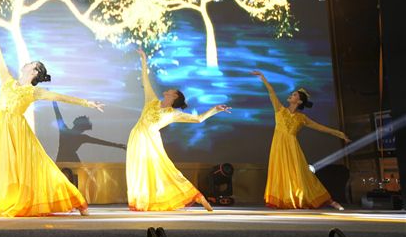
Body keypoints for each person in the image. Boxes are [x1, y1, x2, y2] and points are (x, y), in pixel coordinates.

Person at [0, 24, 104, 217]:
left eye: (30, 63)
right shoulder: (7, 81)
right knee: (5, 167)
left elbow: (60, 97)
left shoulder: (34, 91)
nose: (26, 64)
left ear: (35, 71)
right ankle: (7, 202)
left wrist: (87, 103)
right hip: (2, 130)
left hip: (19, 132)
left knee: (41, 167)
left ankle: (77, 201)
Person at [127, 48, 230, 212]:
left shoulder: (173, 114)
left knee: (164, 170)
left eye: (171, 90)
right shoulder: (152, 101)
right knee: (141, 171)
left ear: (174, 96)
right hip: (136, 139)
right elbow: (145, 80)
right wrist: (144, 59)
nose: (168, 90)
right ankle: (144, 200)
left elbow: (198, 119)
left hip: (151, 143)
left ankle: (198, 197)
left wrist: (215, 109)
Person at [252, 70, 350, 210]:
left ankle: (330, 201)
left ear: (299, 101)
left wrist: (339, 134)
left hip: (292, 148)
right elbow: (272, 92)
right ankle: (289, 200)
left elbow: (320, 127)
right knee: (281, 174)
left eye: (294, 95)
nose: (291, 95)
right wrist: (263, 78)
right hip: (279, 147)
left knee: (302, 175)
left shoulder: (301, 118)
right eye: (292, 94)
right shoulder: (280, 110)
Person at [52, 101, 126, 162]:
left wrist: (53, 100)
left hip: (66, 159)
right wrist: (118, 145)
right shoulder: (74, 134)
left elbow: (58, 114)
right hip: (69, 160)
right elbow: (100, 142)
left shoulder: (66, 131)